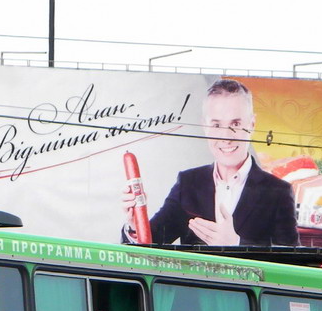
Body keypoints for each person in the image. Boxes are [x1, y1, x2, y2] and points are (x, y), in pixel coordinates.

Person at [122, 79, 299, 248]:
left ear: (252, 124)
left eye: (236, 123)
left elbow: (291, 266)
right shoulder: (188, 183)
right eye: (216, 125)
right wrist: (135, 224)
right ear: (205, 127)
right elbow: (152, 241)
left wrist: (236, 245)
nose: (226, 137)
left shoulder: (278, 192)